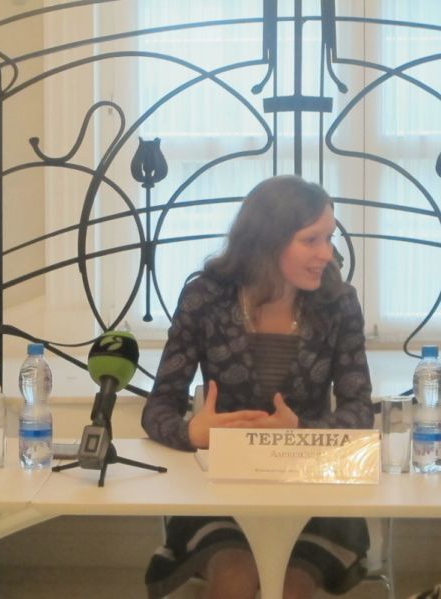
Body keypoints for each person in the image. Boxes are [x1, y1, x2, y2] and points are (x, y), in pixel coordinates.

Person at [142, 175, 374, 599]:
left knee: (289, 587)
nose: (327, 253)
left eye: (329, 238)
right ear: (269, 240)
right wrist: (191, 432)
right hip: (222, 494)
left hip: (312, 494)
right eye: (311, 240)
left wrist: (300, 431)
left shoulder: (338, 302)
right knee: (234, 580)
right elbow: (158, 407)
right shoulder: (205, 297)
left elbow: (359, 411)